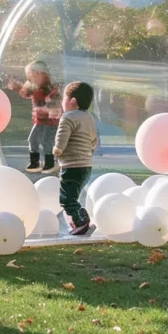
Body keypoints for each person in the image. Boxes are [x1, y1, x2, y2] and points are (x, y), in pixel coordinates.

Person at [53, 81, 99, 236]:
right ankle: (81, 218)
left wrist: (58, 150)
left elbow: (62, 136)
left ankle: (82, 221)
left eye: (64, 99)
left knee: (66, 200)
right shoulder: (89, 118)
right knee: (74, 196)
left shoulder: (68, 117)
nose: (62, 102)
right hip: (86, 166)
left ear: (72, 101)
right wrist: (88, 152)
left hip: (71, 166)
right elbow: (94, 140)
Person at [8, 60, 60, 174]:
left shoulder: (51, 88)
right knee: (33, 139)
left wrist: (44, 108)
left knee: (47, 141)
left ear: (40, 73)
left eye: (31, 75)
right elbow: (25, 93)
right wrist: (16, 87)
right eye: (28, 76)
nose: (29, 78)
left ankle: (50, 162)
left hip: (51, 122)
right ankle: (35, 162)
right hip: (39, 120)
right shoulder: (32, 86)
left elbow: (54, 108)